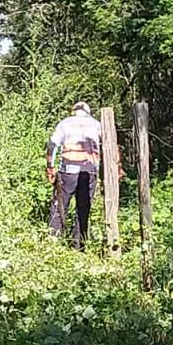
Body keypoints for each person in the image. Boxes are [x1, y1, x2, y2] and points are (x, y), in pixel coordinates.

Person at [47, 100, 103, 250]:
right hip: (89, 171)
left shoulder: (65, 123)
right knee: (83, 209)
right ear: (88, 112)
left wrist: (50, 168)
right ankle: (79, 247)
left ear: (74, 111)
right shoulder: (97, 125)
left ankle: (52, 243)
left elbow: (52, 145)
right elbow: (109, 145)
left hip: (68, 171)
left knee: (59, 206)